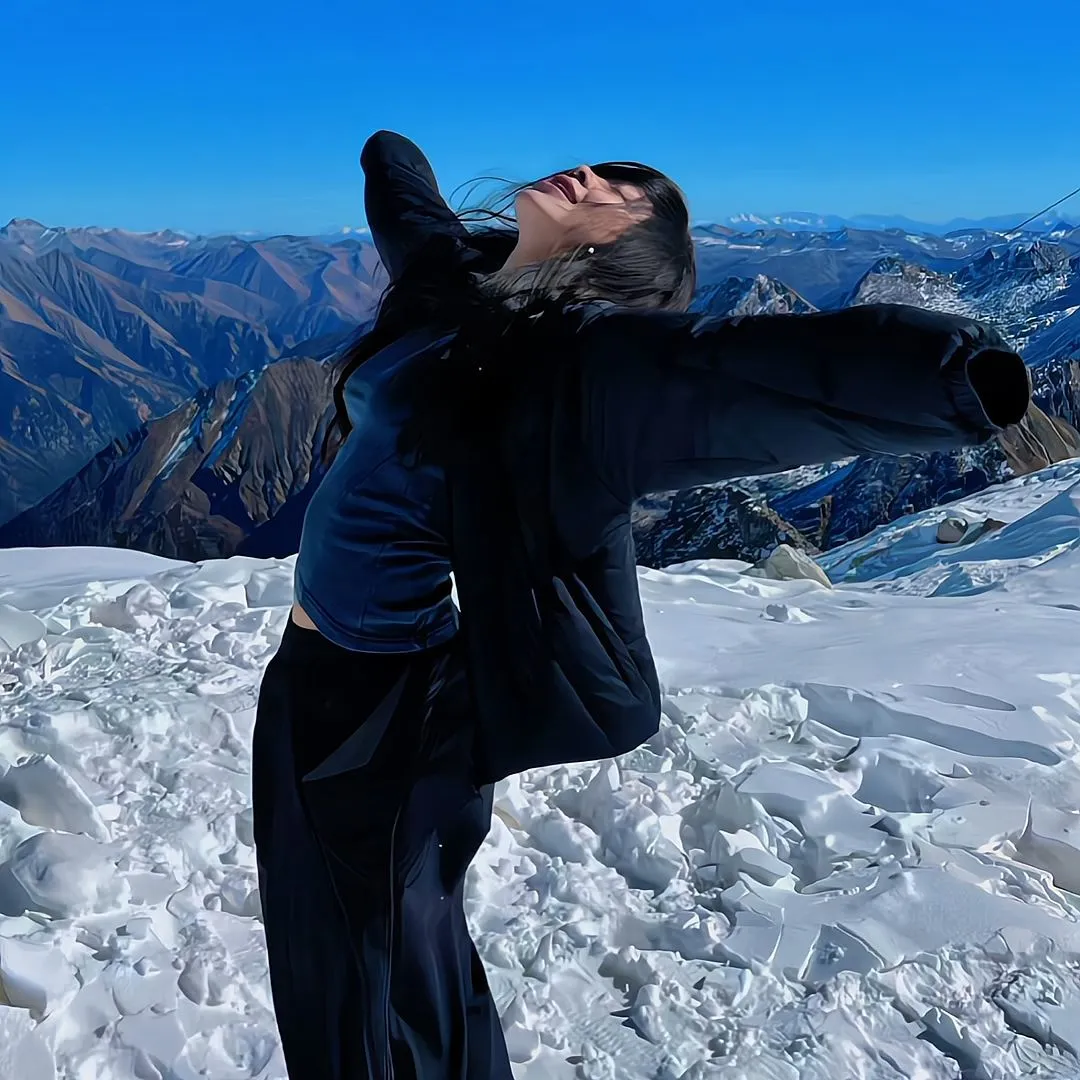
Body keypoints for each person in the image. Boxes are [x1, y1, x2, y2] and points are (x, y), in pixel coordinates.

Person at [252, 130, 1031, 1080]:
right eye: (604, 165)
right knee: (365, 944)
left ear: (627, 249)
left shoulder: (581, 364)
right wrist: (389, 155)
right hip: (314, 678)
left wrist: (954, 374)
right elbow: (411, 216)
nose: (592, 173)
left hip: (388, 705)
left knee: (365, 975)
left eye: (625, 189)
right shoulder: (458, 287)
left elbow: (750, 371)